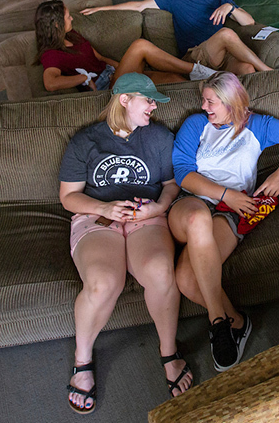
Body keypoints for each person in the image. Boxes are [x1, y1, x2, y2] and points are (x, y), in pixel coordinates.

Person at [59, 73, 193, 414]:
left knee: (161, 271)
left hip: (146, 216)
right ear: (123, 100)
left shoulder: (159, 137)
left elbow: (170, 184)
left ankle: (168, 352)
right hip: (97, 216)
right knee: (104, 282)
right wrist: (105, 207)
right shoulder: (85, 141)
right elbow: (69, 197)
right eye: (147, 100)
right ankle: (83, 359)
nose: (153, 106)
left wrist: (159, 207)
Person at [168, 71, 279, 372]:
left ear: (231, 101)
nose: (204, 107)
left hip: (230, 213)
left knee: (186, 280)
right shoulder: (196, 124)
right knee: (197, 219)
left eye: (211, 102)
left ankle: (236, 320)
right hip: (192, 202)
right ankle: (218, 323)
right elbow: (183, 172)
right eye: (204, 100)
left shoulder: (258, 126)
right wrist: (226, 193)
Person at [81, 0, 273, 77]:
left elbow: (249, 22)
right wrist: (102, 8)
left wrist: (230, 8)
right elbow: (139, 5)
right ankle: (269, 72)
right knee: (226, 34)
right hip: (195, 56)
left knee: (247, 69)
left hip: (221, 57)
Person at [34, 0, 217, 93]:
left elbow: (99, 58)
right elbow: (50, 83)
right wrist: (81, 78)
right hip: (108, 90)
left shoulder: (72, 35)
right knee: (140, 46)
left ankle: (213, 91)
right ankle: (199, 70)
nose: (72, 18)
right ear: (57, 24)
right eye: (67, 17)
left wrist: (124, 67)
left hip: (114, 76)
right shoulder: (51, 54)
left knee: (175, 79)